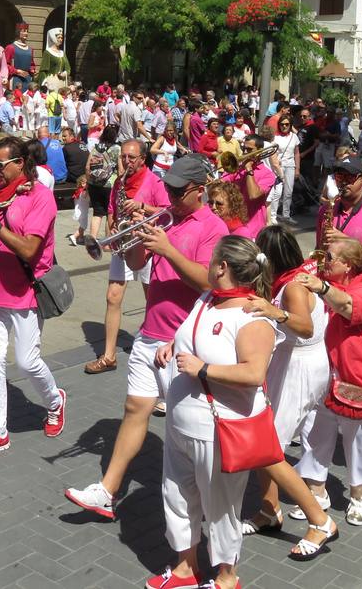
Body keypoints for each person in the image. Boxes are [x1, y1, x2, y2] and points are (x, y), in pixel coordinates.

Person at [65, 154, 227, 520]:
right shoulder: (166, 219)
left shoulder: (213, 226)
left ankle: (209, 500)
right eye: (166, 187)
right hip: (150, 332)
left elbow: (210, 282)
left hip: (184, 340)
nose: (168, 195)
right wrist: (138, 235)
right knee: (134, 409)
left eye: (177, 190)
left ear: (199, 191)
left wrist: (167, 247)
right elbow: (138, 264)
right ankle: (107, 491)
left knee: (188, 427)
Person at [143, 236, 276, 589]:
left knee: (221, 506)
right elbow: (193, 334)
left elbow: (253, 373)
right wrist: (174, 344)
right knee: (177, 494)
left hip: (218, 429)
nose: (207, 264)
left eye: (212, 259)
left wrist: (203, 369)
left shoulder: (252, 315)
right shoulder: (207, 299)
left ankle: (227, 577)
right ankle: (185, 569)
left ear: (222, 267)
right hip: (181, 423)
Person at [0, 136, 66, 458]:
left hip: (25, 290)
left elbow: (30, 249)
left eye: (0, 165)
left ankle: (55, 401)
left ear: (20, 164)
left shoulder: (40, 197)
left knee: (27, 361)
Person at [240, 226, 338, 561]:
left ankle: (320, 522)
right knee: (264, 440)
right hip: (294, 362)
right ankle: (269, 511)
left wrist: (275, 311)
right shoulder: (295, 277)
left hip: (300, 367)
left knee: (268, 449)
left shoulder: (294, 287)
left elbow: (304, 326)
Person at [292, 238, 362, 527]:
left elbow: (350, 307)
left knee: (359, 442)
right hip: (327, 379)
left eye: (329, 258)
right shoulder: (327, 286)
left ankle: (359, 497)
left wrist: (323, 288)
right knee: (315, 434)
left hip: (360, 382)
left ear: (348, 265)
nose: (323, 262)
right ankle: (316, 493)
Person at [84, 139, 170, 375]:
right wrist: (111, 230)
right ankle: (108, 355)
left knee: (151, 300)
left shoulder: (154, 181)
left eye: (131, 158)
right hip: (124, 245)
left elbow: (167, 209)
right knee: (112, 297)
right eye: (123, 156)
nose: (126, 161)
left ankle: (158, 351)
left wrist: (142, 206)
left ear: (143, 159)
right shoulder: (120, 182)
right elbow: (112, 208)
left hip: (147, 246)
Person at [272, 114, 301, 224]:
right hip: (278, 166)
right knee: (277, 192)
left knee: (288, 192)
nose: (284, 126)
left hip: (290, 166)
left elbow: (297, 153)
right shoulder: (275, 137)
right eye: (282, 124)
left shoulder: (294, 137)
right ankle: (273, 216)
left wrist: (297, 168)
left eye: (287, 124)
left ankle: (286, 215)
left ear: (290, 125)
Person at [34, 26, 70, 92]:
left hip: (61, 83)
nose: (61, 39)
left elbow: (68, 68)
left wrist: (65, 73)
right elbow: (43, 71)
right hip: (51, 82)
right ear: (53, 38)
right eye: (59, 37)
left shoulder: (62, 53)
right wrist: (44, 84)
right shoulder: (48, 52)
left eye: (61, 38)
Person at [4, 22, 37, 92]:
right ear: (18, 32)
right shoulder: (10, 47)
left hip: (27, 80)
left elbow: (32, 64)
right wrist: (16, 71)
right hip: (15, 80)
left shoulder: (30, 50)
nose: (26, 33)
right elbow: (5, 65)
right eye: (24, 31)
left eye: (27, 31)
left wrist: (32, 70)